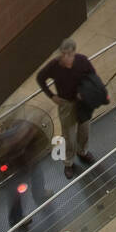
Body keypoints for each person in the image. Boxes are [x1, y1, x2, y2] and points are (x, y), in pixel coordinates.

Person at [36, 39, 102, 179]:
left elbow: (92, 76)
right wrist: (51, 96)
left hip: (82, 103)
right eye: (63, 54)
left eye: (69, 54)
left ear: (74, 53)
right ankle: (68, 162)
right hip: (66, 105)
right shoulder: (54, 66)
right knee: (69, 135)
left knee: (84, 129)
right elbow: (40, 78)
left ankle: (82, 152)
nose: (66, 58)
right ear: (60, 54)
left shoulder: (82, 61)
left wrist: (84, 91)